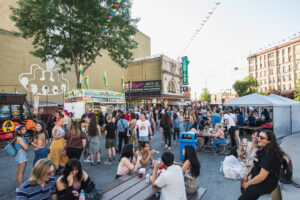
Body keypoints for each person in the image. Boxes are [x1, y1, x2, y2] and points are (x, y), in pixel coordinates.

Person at [238, 130, 284, 200]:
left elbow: (262, 177)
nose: (258, 138)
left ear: (269, 141)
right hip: (256, 178)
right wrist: (247, 175)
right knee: (243, 187)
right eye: (259, 136)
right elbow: (254, 163)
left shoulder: (270, 155)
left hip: (264, 183)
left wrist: (248, 183)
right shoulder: (262, 149)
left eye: (262, 137)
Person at [14, 125, 29, 191]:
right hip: (22, 155)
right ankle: (21, 189)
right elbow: (26, 148)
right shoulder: (19, 138)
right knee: (20, 173)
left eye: (25, 129)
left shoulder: (20, 137)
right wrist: (27, 143)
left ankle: (18, 187)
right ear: (18, 131)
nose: (24, 130)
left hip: (20, 154)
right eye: (22, 129)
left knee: (19, 172)